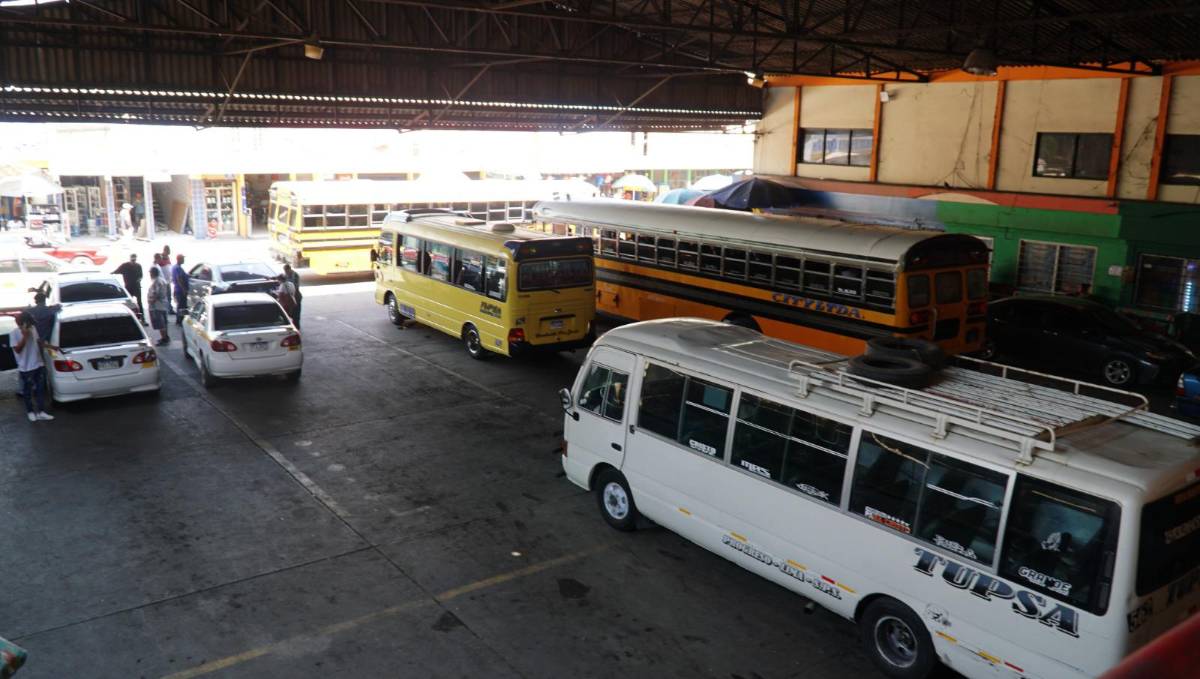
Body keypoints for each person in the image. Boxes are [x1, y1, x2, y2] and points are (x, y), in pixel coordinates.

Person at [10, 311, 54, 422]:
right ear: (23, 323)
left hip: (38, 364)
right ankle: (30, 412)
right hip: (26, 368)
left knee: (40, 390)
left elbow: (39, 342)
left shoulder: (33, 329)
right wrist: (25, 337)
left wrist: (51, 347)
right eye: (29, 323)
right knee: (27, 392)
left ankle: (41, 412)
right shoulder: (14, 333)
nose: (31, 325)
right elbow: (18, 350)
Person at [113, 253, 144, 321]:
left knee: (139, 303)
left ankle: (142, 319)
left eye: (134, 259)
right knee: (129, 303)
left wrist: (139, 279)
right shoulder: (125, 265)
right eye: (132, 259)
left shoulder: (138, 266)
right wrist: (111, 273)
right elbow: (116, 271)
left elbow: (141, 275)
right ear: (130, 259)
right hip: (128, 287)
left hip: (137, 287)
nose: (133, 261)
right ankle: (131, 318)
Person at [147, 267, 171, 346]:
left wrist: (151, 301)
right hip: (163, 304)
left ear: (153, 273)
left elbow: (155, 293)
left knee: (160, 323)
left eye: (150, 273)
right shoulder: (162, 280)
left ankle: (164, 338)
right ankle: (166, 337)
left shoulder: (156, 282)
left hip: (157, 305)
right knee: (164, 322)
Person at [282, 263, 302, 328]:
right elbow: (281, 278)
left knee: (296, 314)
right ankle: (293, 325)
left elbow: (295, 286)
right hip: (290, 297)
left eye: (286, 271)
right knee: (290, 313)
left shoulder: (295, 275)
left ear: (289, 269)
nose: (286, 272)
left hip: (296, 297)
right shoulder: (286, 275)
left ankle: (297, 327)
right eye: (285, 271)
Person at [172, 254, 189, 325]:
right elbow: (179, 279)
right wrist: (184, 289)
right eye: (182, 259)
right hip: (180, 290)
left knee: (182, 305)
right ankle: (180, 321)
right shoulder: (177, 268)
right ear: (179, 259)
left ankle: (180, 320)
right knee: (181, 306)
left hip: (179, 289)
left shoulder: (178, 267)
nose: (184, 260)